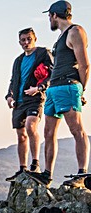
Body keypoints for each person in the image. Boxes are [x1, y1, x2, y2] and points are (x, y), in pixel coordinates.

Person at [32, 0, 90, 188]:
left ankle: (82, 174)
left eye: (49, 16)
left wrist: (81, 88)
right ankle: (47, 174)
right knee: (49, 132)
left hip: (68, 86)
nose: (49, 19)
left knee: (76, 130)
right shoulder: (61, 37)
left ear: (55, 15)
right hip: (54, 89)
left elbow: (85, 64)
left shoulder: (76, 31)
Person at [5, 28, 53, 181]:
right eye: (23, 40)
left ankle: (35, 163)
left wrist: (39, 88)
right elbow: (13, 80)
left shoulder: (43, 54)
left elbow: (53, 73)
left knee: (30, 126)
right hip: (19, 102)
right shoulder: (18, 60)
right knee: (21, 136)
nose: (26, 42)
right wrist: (9, 96)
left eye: (29, 39)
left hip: (35, 97)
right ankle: (22, 168)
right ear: (19, 42)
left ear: (35, 38)